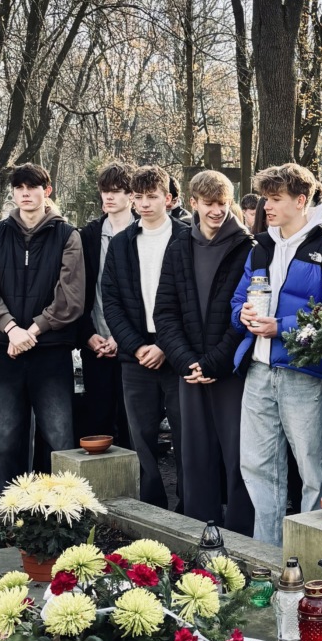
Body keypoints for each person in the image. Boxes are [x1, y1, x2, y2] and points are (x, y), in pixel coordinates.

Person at [232, 162, 322, 545]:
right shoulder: (260, 248)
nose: (266, 206)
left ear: (301, 201)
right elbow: (237, 301)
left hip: (304, 375)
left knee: (313, 471)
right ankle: (266, 555)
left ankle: (313, 555)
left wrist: (280, 327)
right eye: (265, 198)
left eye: (275, 198)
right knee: (257, 466)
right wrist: (242, 315)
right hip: (258, 371)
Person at [154, 169, 252, 531]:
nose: (217, 211)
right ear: (193, 202)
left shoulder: (248, 248)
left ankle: (242, 537)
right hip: (190, 370)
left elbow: (245, 315)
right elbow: (165, 312)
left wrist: (216, 362)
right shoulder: (178, 246)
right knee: (195, 457)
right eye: (209, 204)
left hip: (231, 370)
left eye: (223, 203)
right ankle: (201, 533)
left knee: (239, 457)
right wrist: (185, 361)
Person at [0, 163, 85, 492]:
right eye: (19, 188)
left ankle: (54, 509)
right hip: (6, 350)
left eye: (32, 187)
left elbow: (70, 297)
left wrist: (32, 331)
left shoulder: (67, 235)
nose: (25, 193)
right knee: (3, 439)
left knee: (58, 438)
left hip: (51, 350)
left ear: (46, 191)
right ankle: (11, 508)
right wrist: (11, 330)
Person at [103, 165, 184, 510]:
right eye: (139, 197)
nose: (145, 204)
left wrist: (166, 345)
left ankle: (188, 507)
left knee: (185, 434)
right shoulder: (121, 243)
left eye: (152, 196)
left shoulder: (187, 238)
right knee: (141, 437)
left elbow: (193, 300)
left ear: (168, 198)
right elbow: (111, 301)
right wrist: (136, 346)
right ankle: (152, 508)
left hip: (177, 351)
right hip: (135, 353)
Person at [79, 162, 134, 446]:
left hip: (134, 345)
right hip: (96, 342)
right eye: (104, 190)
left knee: (132, 424)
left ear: (131, 195)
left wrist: (122, 338)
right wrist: (87, 335)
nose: (109, 197)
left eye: (116, 190)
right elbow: (78, 291)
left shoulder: (142, 232)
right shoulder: (88, 235)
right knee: (97, 420)